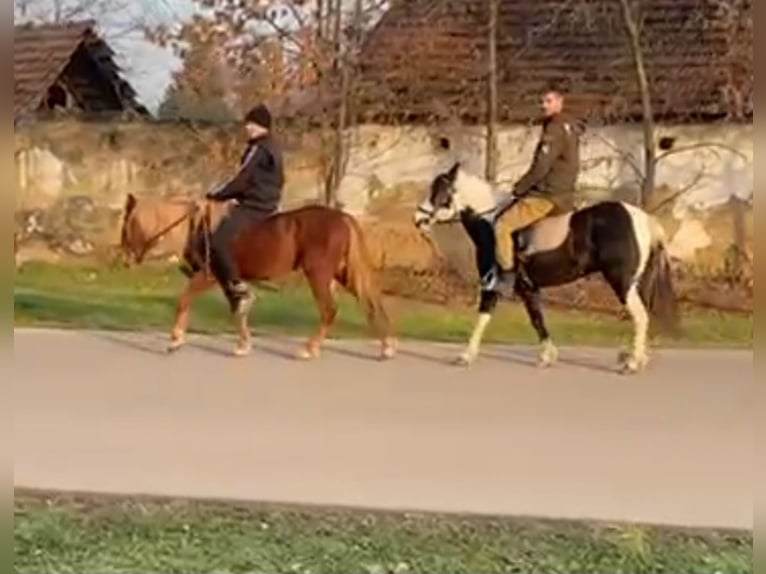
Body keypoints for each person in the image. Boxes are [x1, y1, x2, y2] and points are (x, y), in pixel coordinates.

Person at [490, 85, 583, 295]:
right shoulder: (571, 126)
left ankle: (507, 277)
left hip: (548, 194)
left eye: (549, 101)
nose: (544, 105)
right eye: (542, 101)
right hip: (566, 193)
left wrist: (520, 187)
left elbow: (542, 165)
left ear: (560, 102)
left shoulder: (554, 127)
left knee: (502, 225)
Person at [204, 103, 284, 315]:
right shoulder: (273, 147)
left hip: (256, 205)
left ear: (261, 126)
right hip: (265, 201)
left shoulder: (258, 148)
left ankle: (238, 288)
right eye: (248, 124)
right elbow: (261, 180)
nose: (247, 128)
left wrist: (217, 196)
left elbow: (242, 179)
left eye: (251, 124)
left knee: (218, 240)